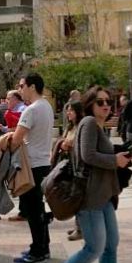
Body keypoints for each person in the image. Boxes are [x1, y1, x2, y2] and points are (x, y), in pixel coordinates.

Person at [37, 86, 132, 263]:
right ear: (90, 104)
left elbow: (98, 152)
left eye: (108, 102)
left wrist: (125, 154)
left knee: (110, 245)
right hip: (91, 197)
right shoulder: (89, 123)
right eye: (100, 102)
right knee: (94, 247)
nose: (105, 106)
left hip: (104, 196)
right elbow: (88, 155)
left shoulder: (98, 126)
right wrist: (115, 160)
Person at [10, 73, 54, 263]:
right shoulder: (47, 107)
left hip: (31, 166)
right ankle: (43, 246)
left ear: (32, 86)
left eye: (22, 86)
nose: (20, 90)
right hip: (44, 163)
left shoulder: (31, 110)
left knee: (32, 210)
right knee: (38, 208)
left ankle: (38, 252)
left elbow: (16, 139)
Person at [55, 100, 84, 241]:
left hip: (78, 167)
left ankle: (81, 228)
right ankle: (78, 225)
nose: (68, 113)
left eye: (71, 110)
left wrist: (69, 145)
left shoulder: (82, 127)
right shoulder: (70, 127)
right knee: (74, 197)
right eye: (67, 110)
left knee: (78, 198)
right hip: (70, 166)